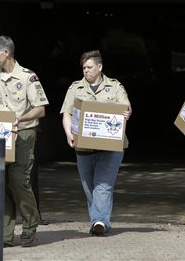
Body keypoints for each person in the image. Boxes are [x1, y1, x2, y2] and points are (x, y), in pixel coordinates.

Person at [0, 35, 49, 247]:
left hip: (24, 135)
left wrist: (19, 118)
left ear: (6, 53)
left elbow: (40, 109)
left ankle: (30, 222)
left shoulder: (28, 77)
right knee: (1, 184)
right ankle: (5, 234)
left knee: (18, 181)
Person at [60, 50, 131, 236]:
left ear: (99, 67)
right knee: (89, 187)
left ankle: (100, 222)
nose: (86, 71)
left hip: (111, 147)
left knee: (103, 184)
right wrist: (68, 133)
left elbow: (126, 108)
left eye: (89, 67)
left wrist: (127, 113)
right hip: (83, 147)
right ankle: (97, 220)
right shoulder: (75, 88)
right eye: (83, 68)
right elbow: (66, 113)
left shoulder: (115, 87)